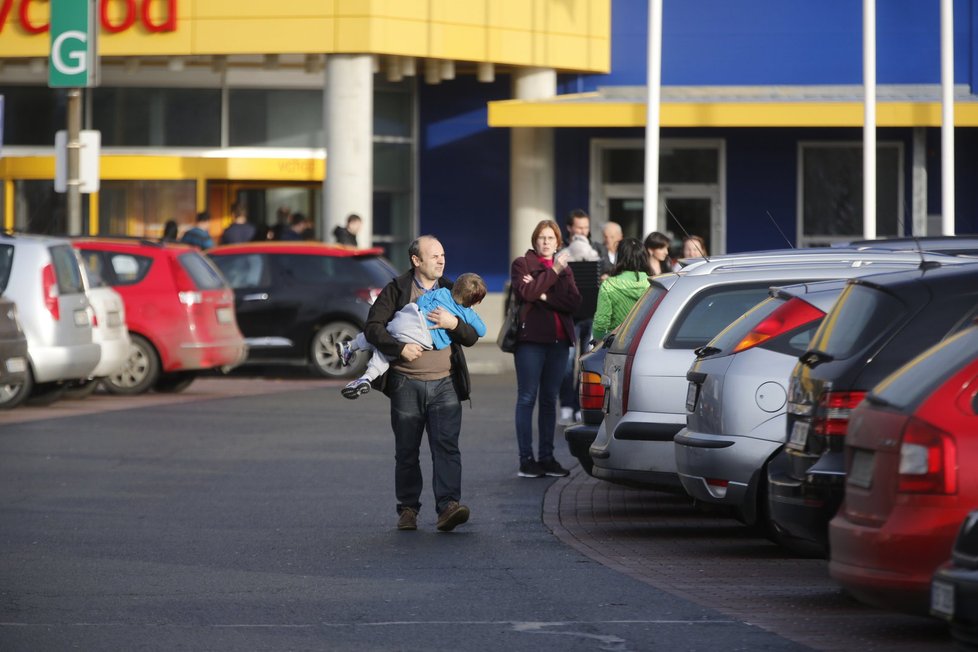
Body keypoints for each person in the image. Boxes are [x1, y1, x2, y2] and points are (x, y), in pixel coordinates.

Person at [363, 235, 481, 532]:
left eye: (443, 255)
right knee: (406, 449)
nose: (441, 260)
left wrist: (454, 324)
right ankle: (407, 510)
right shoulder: (397, 289)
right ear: (416, 261)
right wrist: (399, 348)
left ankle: (448, 507)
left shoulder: (452, 289)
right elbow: (373, 328)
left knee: (447, 447)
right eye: (434, 256)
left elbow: (471, 335)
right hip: (405, 383)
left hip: (445, 384)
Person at [339, 272, 486, 398]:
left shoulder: (443, 291)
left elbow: (422, 300)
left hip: (410, 316)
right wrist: (464, 316)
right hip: (422, 334)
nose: (441, 260)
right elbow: (481, 331)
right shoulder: (468, 314)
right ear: (476, 301)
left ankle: (351, 345)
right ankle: (367, 377)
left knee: (386, 333)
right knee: (385, 354)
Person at [510, 219, 581, 479]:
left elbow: (573, 302)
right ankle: (526, 460)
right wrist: (551, 276)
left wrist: (543, 295)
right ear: (534, 240)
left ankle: (547, 457)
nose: (546, 242)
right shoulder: (522, 264)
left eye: (551, 238)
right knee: (527, 398)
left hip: (559, 343)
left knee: (550, 400)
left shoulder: (566, 269)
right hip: (530, 342)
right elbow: (525, 293)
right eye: (542, 237)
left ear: (558, 242)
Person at [591, 238, 650, 341]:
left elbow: (601, 322)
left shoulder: (609, 285)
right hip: (647, 342)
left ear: (619, 257)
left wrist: (599, 341)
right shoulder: (655, 284)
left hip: (618, 344)